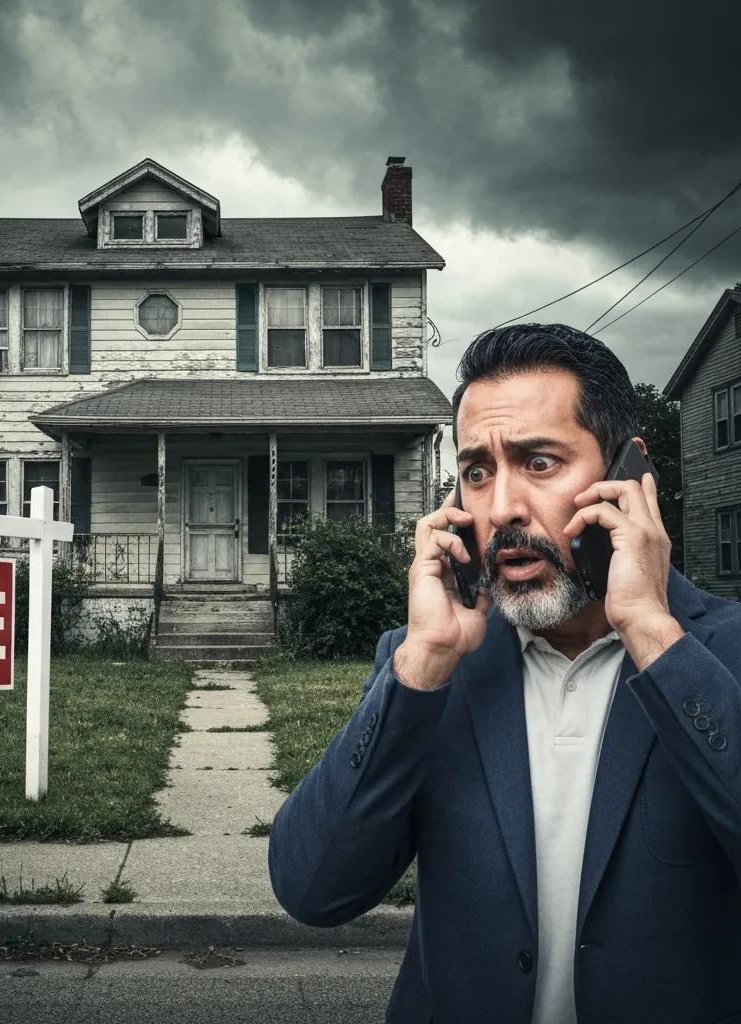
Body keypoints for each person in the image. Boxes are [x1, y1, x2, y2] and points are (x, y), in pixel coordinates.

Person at [268, 323, 741, 1024]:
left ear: (632, 476)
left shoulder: (716, 653)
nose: (501, 507)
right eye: (478, 471)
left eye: (540, 462)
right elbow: (314, 890)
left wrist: (647, 626)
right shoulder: (430, 662)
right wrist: (424, 662)